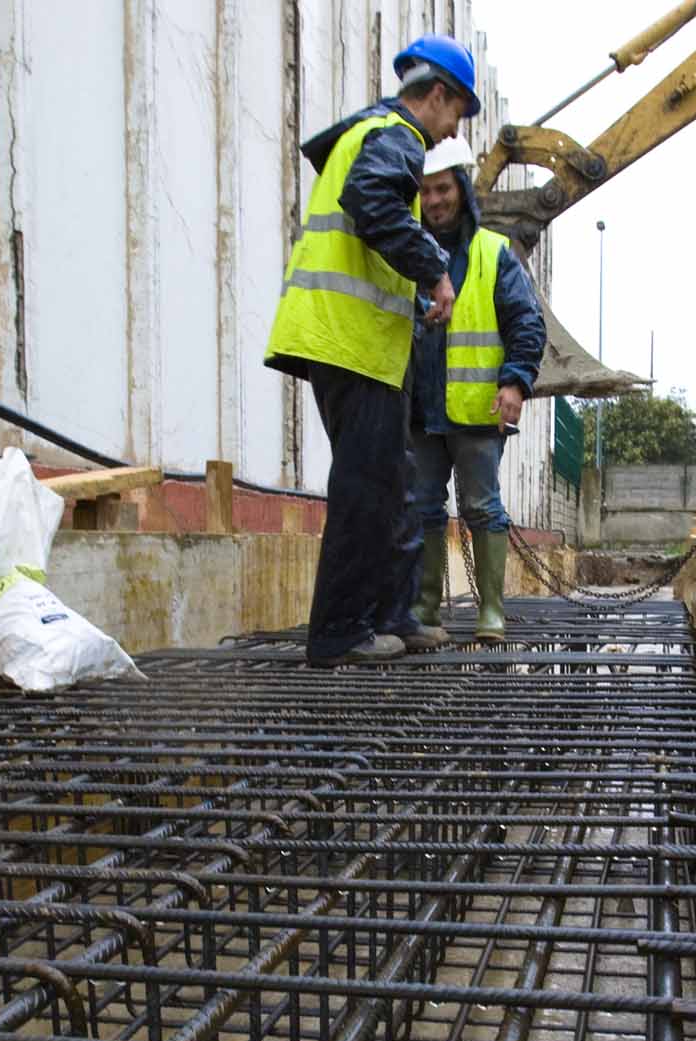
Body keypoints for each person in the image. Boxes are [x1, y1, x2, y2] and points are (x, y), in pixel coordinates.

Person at [264, 35, 478, 666]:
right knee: (366, 487)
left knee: (390, 485)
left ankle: (388, 616)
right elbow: (373, 202)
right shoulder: (397, 136)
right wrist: (434, 268)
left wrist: (410, 297)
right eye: (457, 113)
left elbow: (369, 231)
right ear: (438, 96)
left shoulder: (374, 135)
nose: (451, 130)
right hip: (348, 341)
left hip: (359, 344)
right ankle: (338, 632)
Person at [402, 136, 546, 647]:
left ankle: (491, 611)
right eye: (425, 191)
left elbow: (525, 321)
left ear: (461, 190)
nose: (434, 201)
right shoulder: (408, 251)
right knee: (421, 505)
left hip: (476, 409)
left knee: (482, 506)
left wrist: (515, 381)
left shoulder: (493, 254)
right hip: (420, 410)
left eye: (442, 189)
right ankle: (422, 608)